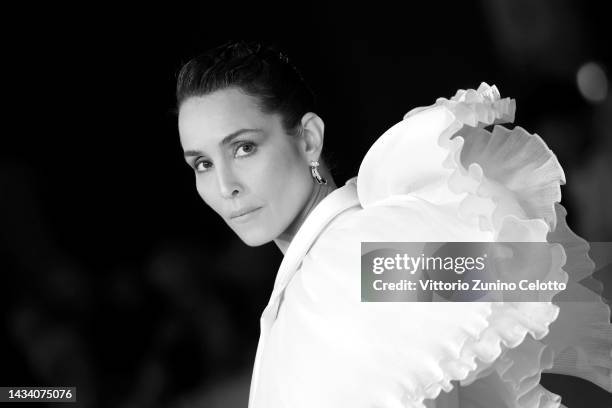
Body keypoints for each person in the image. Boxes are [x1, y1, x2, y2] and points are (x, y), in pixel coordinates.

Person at [175, 41, 612, 407]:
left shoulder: (353, 261)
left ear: (308, 138)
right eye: (202, 163)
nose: (225, 185)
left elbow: (530, 275)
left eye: (244, 148)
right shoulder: (352, 261)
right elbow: (529, 275)